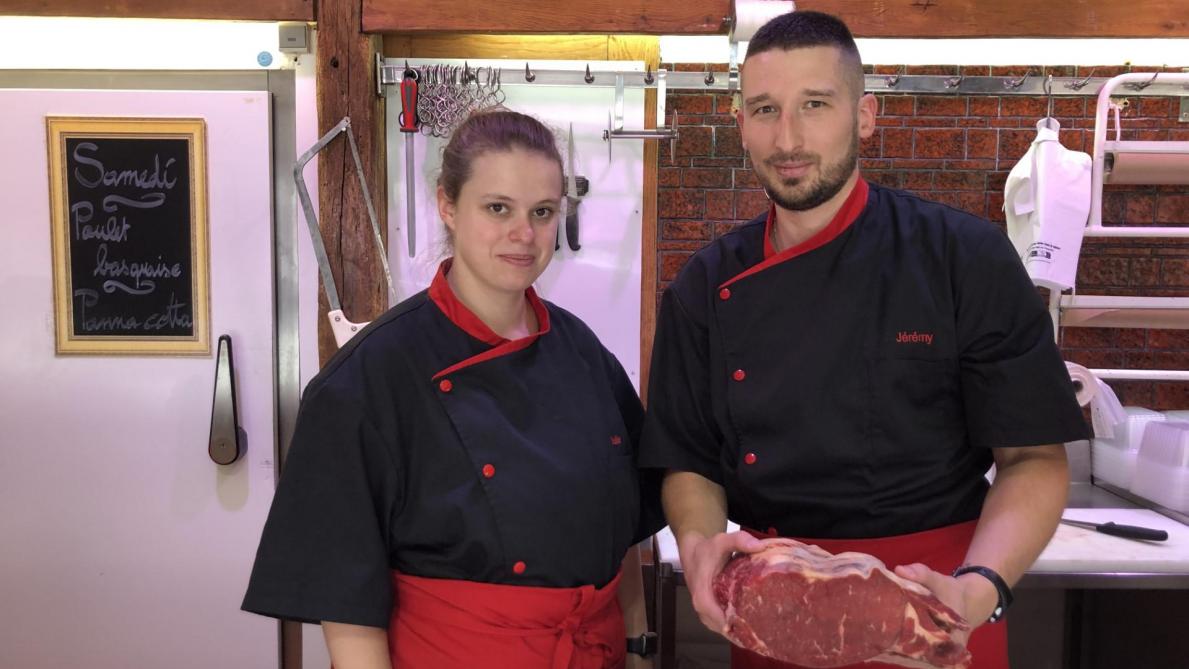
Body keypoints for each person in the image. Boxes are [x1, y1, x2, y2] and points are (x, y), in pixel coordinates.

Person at [638, 11, 1089, 669]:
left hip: (937, 604)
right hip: (775, 607)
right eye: (764, 109)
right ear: (741, 124)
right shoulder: (703, 286)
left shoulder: (963, 258)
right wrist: (700, 543)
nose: (787, 137)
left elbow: (1033, 459)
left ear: (865, 115)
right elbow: (690, 462)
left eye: (814, 104)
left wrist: (978, 589)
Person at [243, 109, 662, 669]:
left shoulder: (582, 352)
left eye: (542, 212)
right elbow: (347, 605)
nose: (524, 234)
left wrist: (638, 648)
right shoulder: (371, 376)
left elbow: (626, 527)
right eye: (498, 208)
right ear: (447, 205)